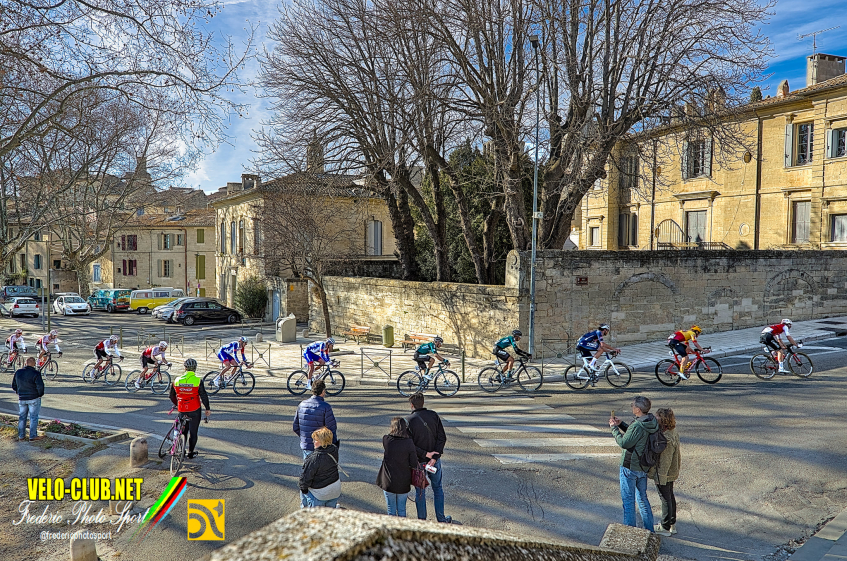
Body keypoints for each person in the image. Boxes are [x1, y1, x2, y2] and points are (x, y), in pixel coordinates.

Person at [610, 395, 659, 531]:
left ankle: (630, 533)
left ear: (638, 409)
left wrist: (614, 429)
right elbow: (637, 436)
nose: (632, 407)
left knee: (628, 502)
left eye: (633, 405)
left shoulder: (637, 425)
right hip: (644, 466)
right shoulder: (651, 421)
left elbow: (624, 443)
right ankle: (649, 530)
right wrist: (622, 424)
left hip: (630, 467)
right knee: (642, 498)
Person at [406, 392, 451, 523]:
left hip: (418, 463)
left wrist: (425, 454)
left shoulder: (409, 421)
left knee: (420, 492)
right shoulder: (433, 415)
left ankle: (422, 521)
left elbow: (409, 445)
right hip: (434, 462)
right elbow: (442, 438)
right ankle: (441, 519)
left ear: (412, 405)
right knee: (438, 488)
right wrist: (434, 457)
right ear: (423, 403)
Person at [293, 379, 338, 507]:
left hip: (306, 446)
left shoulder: (302, 404)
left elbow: (295, 426)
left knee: (306, 473)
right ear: (323, 391)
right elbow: (331, 430)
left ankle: (304, 503)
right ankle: (319, 500)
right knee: (322, 475)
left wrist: (305, 438)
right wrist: (332, 445)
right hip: (322, 446)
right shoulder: (325, 407)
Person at [168, 358, 211, 459]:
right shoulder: (198, 381)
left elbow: (171, 396)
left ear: (185, 368)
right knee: (193, 432)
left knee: (183, 431)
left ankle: (181, 449)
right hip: (194, 409)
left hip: (182, 409)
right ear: (195, 368)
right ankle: (190, 453)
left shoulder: (177, 380)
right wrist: (207, 408)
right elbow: (203, 396)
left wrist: (177, 404)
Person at [376, 417, 418, 517]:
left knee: (391, 510)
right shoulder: (409, 443)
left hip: (388, 481)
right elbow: (414, 464)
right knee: (402, 510)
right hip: (403, 482)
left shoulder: (386, 440)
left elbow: (390, 436)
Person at [649, 408, 680, 536]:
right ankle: (671, 523)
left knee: (665, 498)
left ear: (663, 419)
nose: (655, 417)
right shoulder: (672, 431)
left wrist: (660, 477)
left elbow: (665, 461)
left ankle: (665, 527)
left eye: (657, 416)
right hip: (671, 471)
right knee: (669, 496)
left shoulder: (666, 438)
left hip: (665, 473)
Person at [299, 427, 341, 508]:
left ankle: (304, 508)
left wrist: (304, 489)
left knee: (303, 489)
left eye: (315, 440)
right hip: (335, 490)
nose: (313, 442)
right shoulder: (334, 450)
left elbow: (305, 478)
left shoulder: (314, 458)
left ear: (322, 442)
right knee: (329, 513)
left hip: (320, 494)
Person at [12, 357, 45, 442]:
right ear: (34, 363)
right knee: (33, 417)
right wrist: (39, 395)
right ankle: (32, 436)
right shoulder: (36, 373)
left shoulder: (18, 372)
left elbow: (14, 385)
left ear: (25, 363)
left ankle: (21, 436)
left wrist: (19, 392)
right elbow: (40, 386)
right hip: (33, 397)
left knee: (22, 417)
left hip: (22, 398)